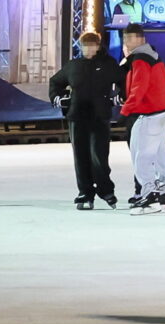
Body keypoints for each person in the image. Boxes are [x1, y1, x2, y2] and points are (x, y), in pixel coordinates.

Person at [50, 31, 121, 209]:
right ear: (80, 47)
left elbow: (124, 80)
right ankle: (85, 192)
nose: (88, 49)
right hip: (77, 116)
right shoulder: (74, 65)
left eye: (92, 45)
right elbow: (55, 81)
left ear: (98, 46)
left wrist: (119, 96)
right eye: (85, 45)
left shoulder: (108, 64)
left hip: (99, 117)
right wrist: (57, 97)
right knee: (80, 156)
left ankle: (106, 190)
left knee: (99, 156)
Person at [118, 25, 165, 213]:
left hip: (149, 112)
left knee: (141, 155)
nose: (126, 44)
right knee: (159, 153)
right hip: (161, 111)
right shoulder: (153, 56)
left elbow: (139, 88)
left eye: (128, 39)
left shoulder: (141, 60)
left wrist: (125, 111)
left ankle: (149, 196)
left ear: (138, 40)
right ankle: (163, 194)